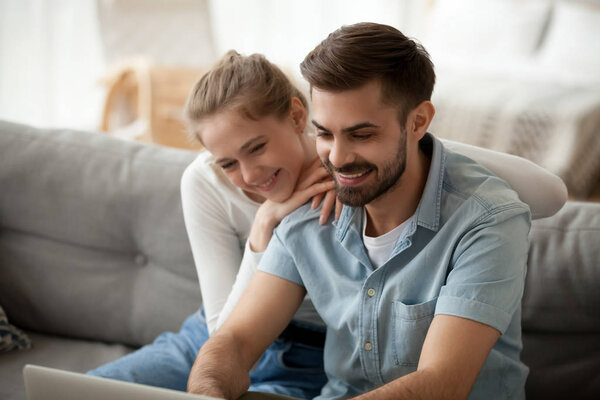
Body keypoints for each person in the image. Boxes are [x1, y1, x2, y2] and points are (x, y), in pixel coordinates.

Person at [90, 47, 566, 399]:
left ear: (295, 117)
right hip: (221, 337)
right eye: (327, 133)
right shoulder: (287, 212)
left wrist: (415, 148)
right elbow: (228, 335)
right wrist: (264, 227)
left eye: (360, 133)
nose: (249, 176)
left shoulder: (481, 216)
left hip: (310, 362)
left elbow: (441, 382)